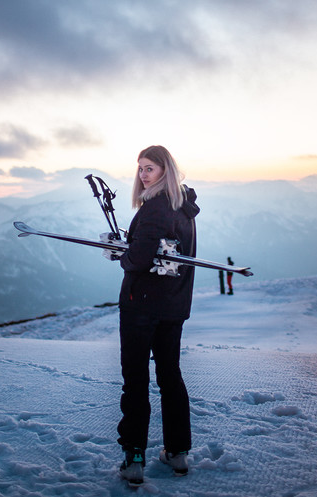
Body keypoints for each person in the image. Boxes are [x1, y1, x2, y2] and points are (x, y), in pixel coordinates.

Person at [116, 145, 200, 486]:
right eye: (140, 168)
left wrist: (122, 255)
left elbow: (138, 258)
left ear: (166, 169)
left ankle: (135, 457)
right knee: (170, 377)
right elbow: (171, 256)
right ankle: (177, 452)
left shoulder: (155, 208)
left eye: (150, 167)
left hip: (141, 306)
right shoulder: (184, 208)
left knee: (136, 379)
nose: (143, 174)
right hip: (173, 307)